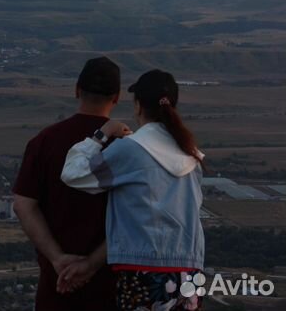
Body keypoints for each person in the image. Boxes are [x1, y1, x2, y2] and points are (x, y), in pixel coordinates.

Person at [61, 69, 206, 311]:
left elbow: (73, 173)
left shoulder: (131, 150)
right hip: (190, 270)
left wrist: (102, 134)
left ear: (138, 106)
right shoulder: (192, 155)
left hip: (143, 270)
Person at [13, 56, 121, 311]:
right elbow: (135, 217)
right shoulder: (126, 148)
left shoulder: (45, 141)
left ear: (76, 90)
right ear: (116, 98)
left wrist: (58, 259)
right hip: (110, 285)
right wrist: (91, 265)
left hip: (56, 283)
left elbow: (23, 205)